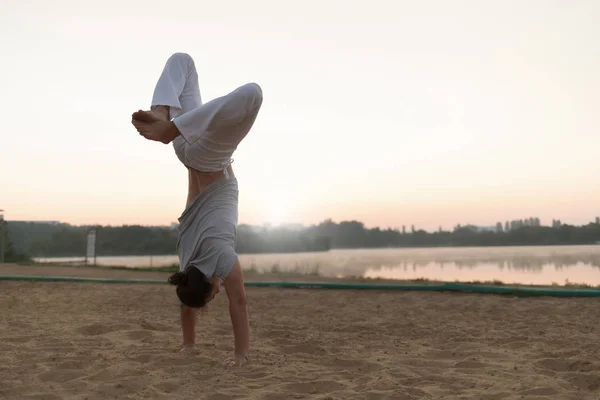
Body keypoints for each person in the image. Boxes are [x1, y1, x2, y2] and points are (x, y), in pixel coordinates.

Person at [131, 52, 263, 368]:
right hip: (189, 155)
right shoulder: (187, 257)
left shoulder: (222, 258)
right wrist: (188, 346)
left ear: (208, 283)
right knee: (182, 62)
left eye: (211, 296)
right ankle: (163, 114)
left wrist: (240, 355)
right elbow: (186, 301)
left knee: (253, 94)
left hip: (209, 157)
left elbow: (240, 302)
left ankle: (170, 126)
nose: (217, 296)